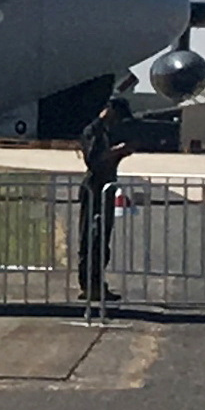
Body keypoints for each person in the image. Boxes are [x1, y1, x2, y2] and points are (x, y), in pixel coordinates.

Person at [78, 91, 139, 303]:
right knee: (91, 238)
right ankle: (89, 285)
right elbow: (94, 160)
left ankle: (97, 283)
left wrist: (120, 155)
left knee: (102, 240)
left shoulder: (104, 132)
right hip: (94, 188)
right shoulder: (93, 131)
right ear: (110, 110)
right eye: (118, 115)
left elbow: (107, 162)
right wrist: (117, 151)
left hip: (105, 187)